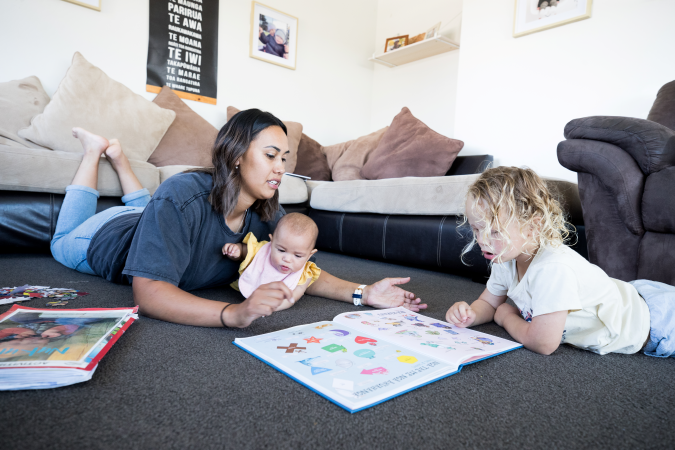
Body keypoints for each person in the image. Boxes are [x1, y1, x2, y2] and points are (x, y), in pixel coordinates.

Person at [51, 109, 426, 329]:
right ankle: (93, 154)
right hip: (105, 235)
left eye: (285, 158)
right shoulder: (182, 194)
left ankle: (119, 160)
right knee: (59, 240)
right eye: (271, 155)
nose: (280, 168)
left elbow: (294, 265)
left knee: (154, 206)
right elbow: (149, 294)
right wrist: (232, 313)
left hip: (150, 215)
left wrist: (363, 293)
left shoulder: (267, 208)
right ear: (235, 155)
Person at [445, 166, 674, 358]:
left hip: (657, 322)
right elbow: (490, 303)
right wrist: (471, 314)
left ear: (532, 227)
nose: (481, 240)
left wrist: (506, 317)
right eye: (476, 228)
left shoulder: (552, 270)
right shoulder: (504, 259)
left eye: (495, 231)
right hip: (628, 296)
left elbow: (543, 343)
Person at [224, 213, 321, 311]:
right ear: (272, 241)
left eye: (297, 255)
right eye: (281, 250)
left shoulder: (305, 274)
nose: (287, 259)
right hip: (237, 291)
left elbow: (292, 298)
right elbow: (244, 252)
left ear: (310, 255)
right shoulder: (262, 250)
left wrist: (271, 307)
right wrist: (236, 251)